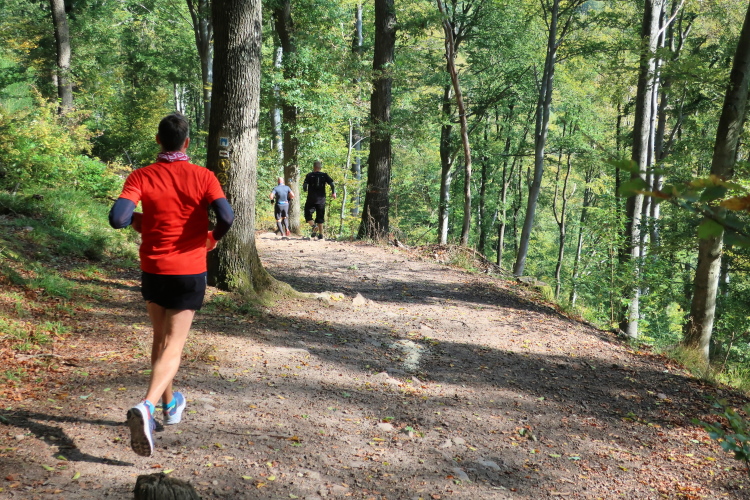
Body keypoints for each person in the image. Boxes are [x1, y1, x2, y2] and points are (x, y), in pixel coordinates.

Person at [108, 113, 235, 457]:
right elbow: (226, 217)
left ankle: (171, 405)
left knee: (160, 339)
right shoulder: (204, 176)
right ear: (187, 142)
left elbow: (118, 218)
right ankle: (148, 406)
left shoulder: (141, 176)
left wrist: (143, 222)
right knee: (174, 346)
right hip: (189, 270)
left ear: (158, 140)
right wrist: (211, 238)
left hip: (153, 269)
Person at [302, 160, 336, 240]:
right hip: (321, 199)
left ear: (314, 167)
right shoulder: (324, 175)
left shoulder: (309, 175)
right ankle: (321, 235)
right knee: (320, 217)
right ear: (320, 168)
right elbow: (332, 184)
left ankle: (314, 226)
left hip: (311, 199)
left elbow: (305, 185)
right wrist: (333, 193)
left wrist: (305, 189)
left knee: (307, 215)